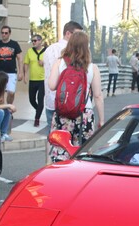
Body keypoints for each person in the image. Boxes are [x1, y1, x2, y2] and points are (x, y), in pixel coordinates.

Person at [47, 31, 104, 160]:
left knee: (61, 148)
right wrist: (101, 119)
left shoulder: (59, 63)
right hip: (84, 114)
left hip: (63, 113)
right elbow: (98, 95)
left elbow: (51, 85)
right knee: (82, 153)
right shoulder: (92, 67)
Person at [43, 21, 83, 126]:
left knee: (52, 137)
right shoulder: (74, 51)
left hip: (50, 100)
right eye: (77, 35)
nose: (79, 38)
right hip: (69, 102)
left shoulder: (48, 49)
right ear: (68, 34)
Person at [0, 25, 22, 105]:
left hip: (11, 72)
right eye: (2, 33)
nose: (4, 35)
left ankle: (9, 107)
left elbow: (20, 58)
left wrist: (20, 72)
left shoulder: (14, 44)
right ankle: (3, 109)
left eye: (6, 33)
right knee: (0, 93)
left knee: (11, 92)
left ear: (9, 33)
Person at [23, 34, 45, 126]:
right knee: (31, 100)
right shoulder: (30, 51)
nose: (33, 42)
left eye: (35, 41)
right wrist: (25, 75)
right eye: (32, 41)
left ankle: (37, 118)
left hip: (42, 80)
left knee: (40, 99)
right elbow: (26, 63)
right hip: (33, 79)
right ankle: (39, 109)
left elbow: (52, 63)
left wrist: (44, 63)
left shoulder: (46, 51)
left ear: (40, 41)